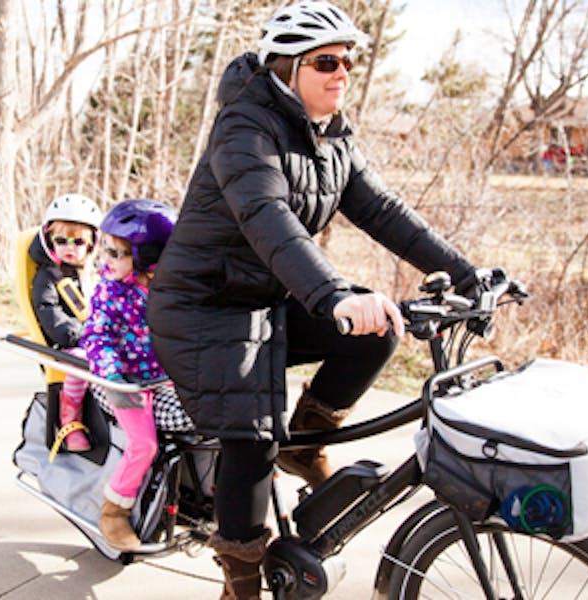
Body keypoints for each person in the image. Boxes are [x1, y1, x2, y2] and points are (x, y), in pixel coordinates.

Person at [145, 2, 481, 597]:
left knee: (381, 328)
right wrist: (331, 296)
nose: (342, 72)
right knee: (252, 435)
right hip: (204, 307)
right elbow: (266, 216)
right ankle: (242, 581)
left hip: (267, 297)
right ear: (287, 67)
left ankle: (310, 438)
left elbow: (384, 212)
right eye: (326, 61)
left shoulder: (331, 136)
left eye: (348, 61)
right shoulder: (244, 127)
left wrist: (463, 273)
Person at [75, 198, 178, 551]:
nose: (106, 259)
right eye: (104, 249)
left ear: (148, 259)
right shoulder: (110, 290)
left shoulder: (167, 289)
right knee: (144, 443)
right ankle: (114, 511)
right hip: (121, 380)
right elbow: (96, 336)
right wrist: (114, 375)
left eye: (117, 253)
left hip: (162, 377)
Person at [29, 193, 103, 452]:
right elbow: (50, 314)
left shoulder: (95, 275)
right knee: (82, 360)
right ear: (49, 241)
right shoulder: (48, 278)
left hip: (98, 340)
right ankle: (69, 421)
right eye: (62, 240)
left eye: (78, 241)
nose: (70, 247)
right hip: (67, 346)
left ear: (92, 244)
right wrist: (81, 335)